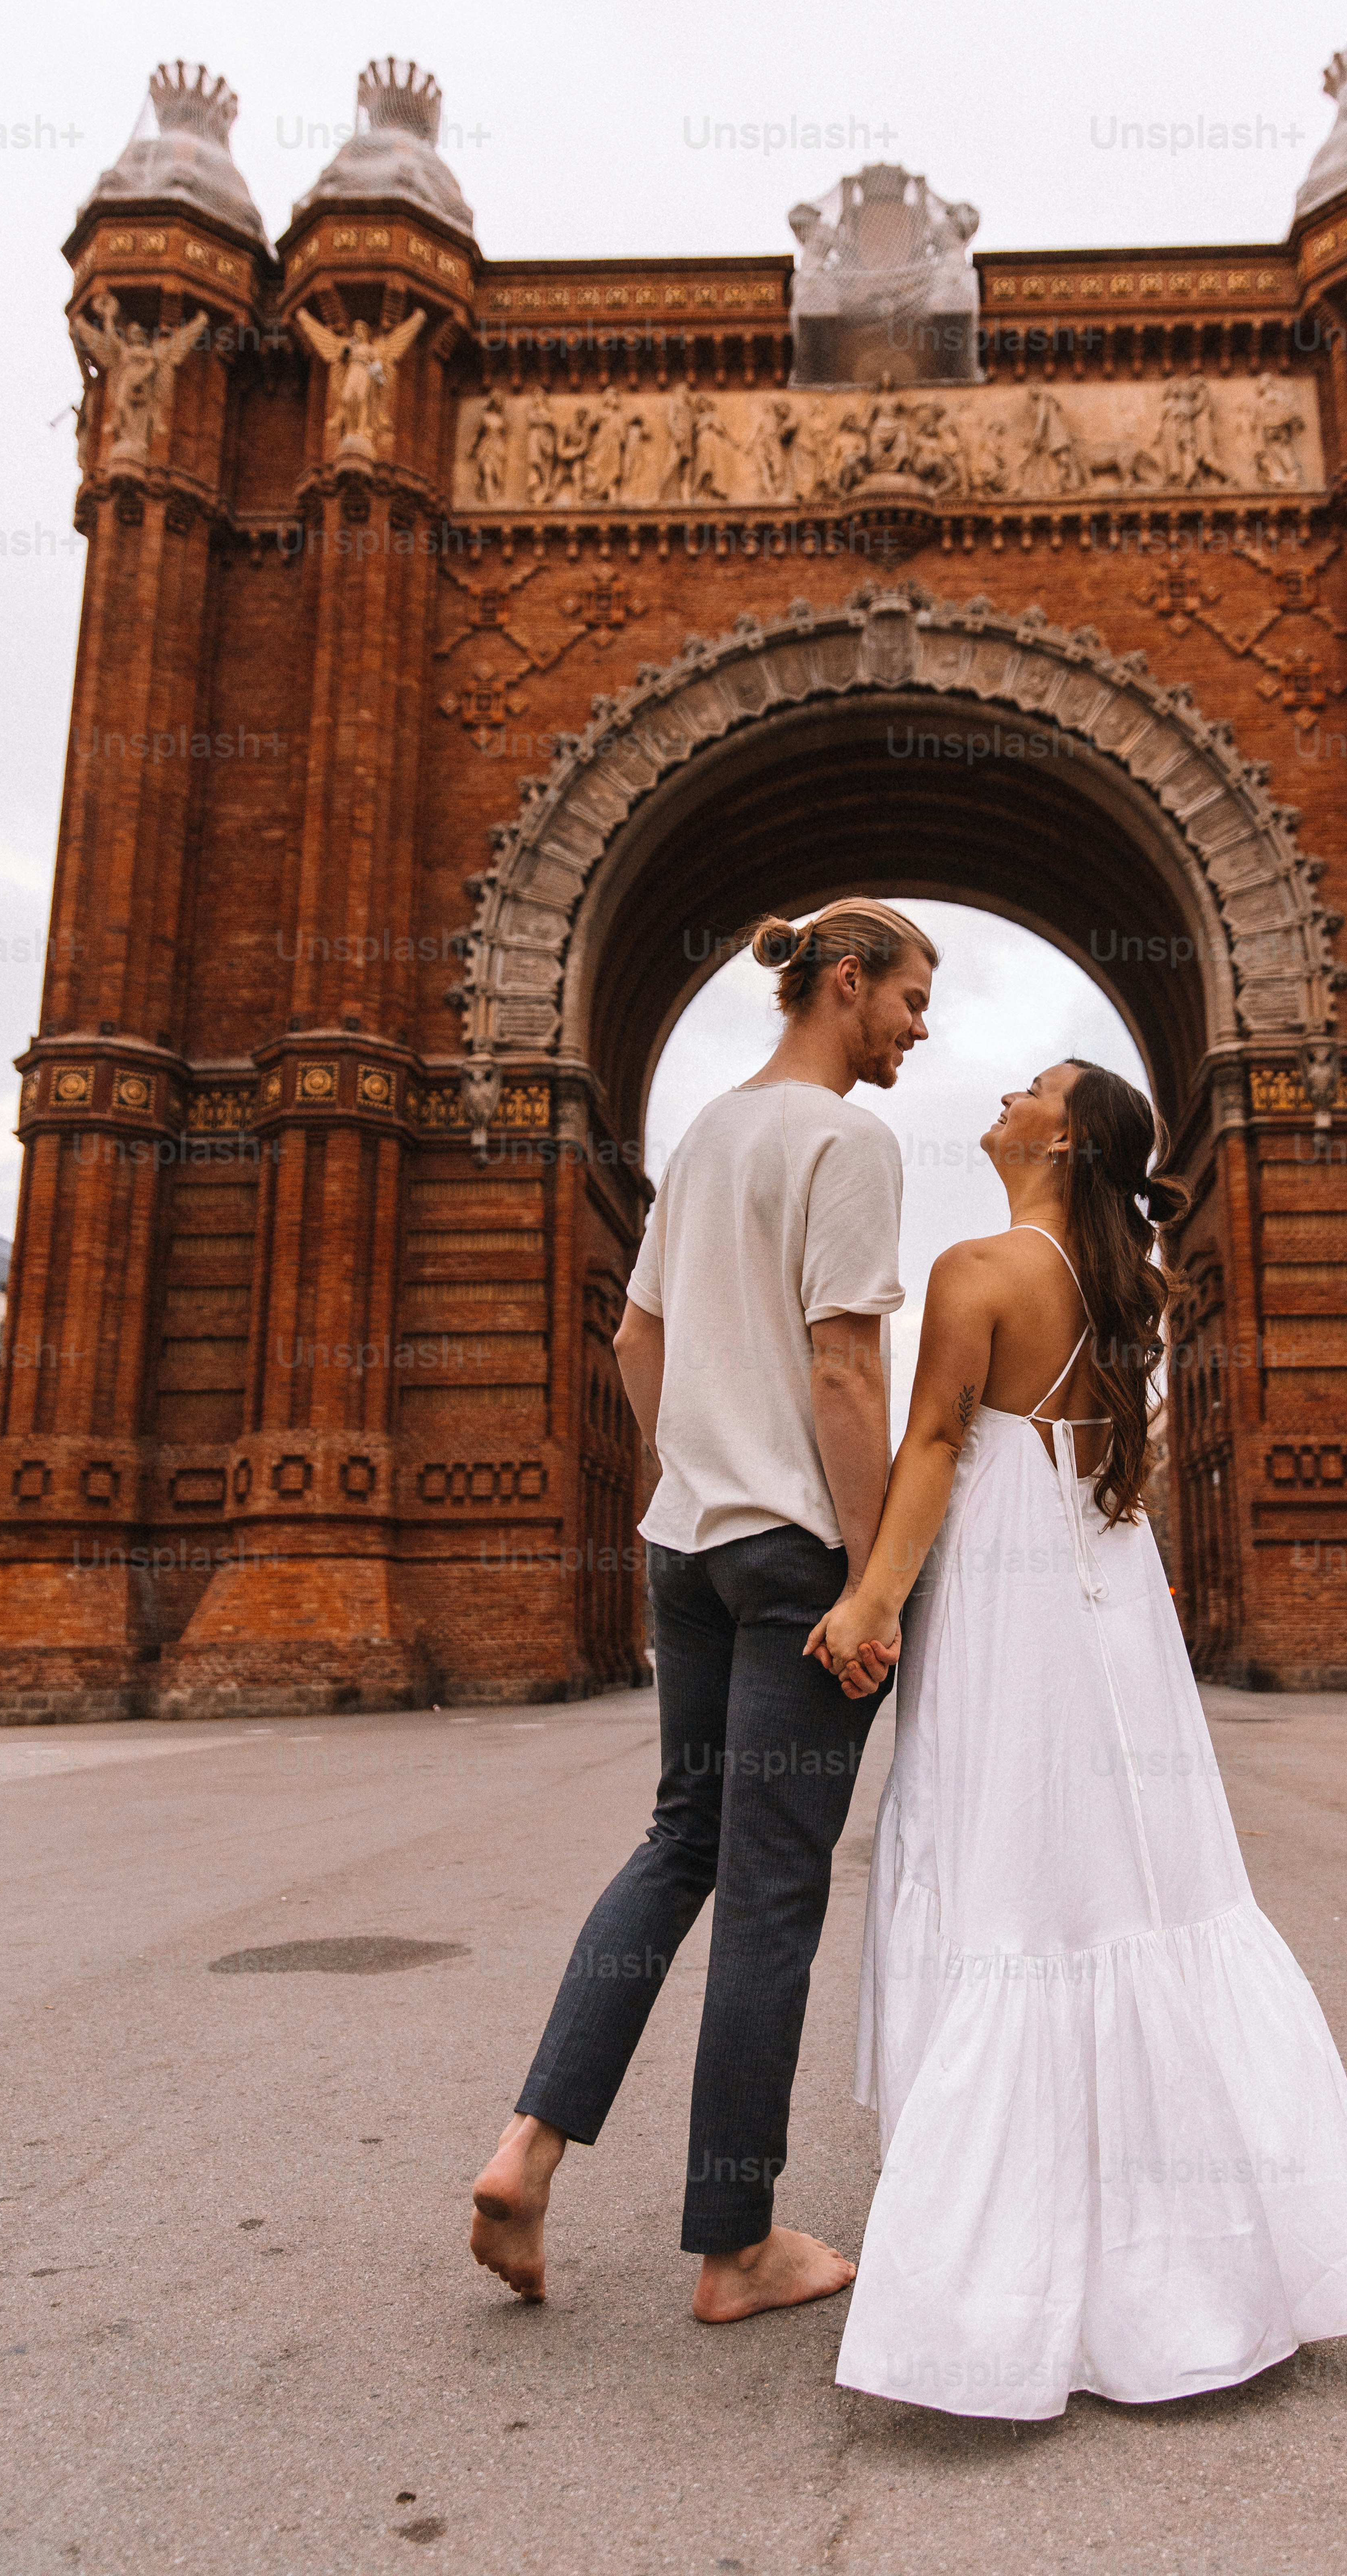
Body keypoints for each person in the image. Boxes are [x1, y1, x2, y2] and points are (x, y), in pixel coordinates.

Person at [810, 1060, 1347, 2417]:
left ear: (1063, 1137)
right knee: (1135, 1883)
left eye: (1032, 1088)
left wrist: (871, 1599)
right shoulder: (1116, 1288)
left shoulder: (981, 1269)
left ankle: (1000, 2291)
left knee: (1008, 1881)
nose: (1007, 1096)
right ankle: (1205, 2261)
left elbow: (928, 1447)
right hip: (1100, 1595)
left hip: (1003, 1602)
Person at [470, 898, 939, 2320]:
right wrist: (872, 1578)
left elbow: (634, 1337)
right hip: (798, 1555)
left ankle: (527, 2148)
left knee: (681, 1843)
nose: (921, 1029)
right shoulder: (846, 1140)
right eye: (913, 1000)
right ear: (845, 983)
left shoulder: (711, 1132)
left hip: (687, 1545)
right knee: (774, 1896)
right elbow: (849, 1372)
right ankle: (735, 2246)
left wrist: (695, 1473)